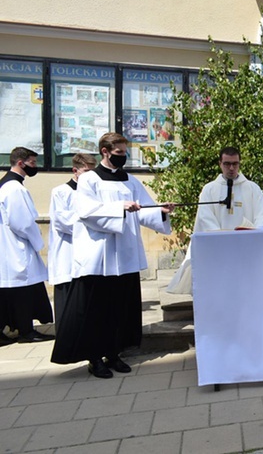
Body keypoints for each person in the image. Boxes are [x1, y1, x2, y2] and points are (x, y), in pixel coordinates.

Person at [51, 133, 175, 378]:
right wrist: (120, 207)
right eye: (118, 153)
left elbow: (144, 209)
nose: (123, 157)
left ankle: (114, 353)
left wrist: (160, 211)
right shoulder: (89, 179)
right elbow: (86, 212)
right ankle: (94, 358)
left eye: (124, 153)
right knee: (96, 310)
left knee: (120, 308)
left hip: (125, 255)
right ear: (105, 152)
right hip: (99, 256)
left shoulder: (130, 180)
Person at [166, 146, 263, 294]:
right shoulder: (209, 189)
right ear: (220, 164)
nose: (231, 168)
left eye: (235, 164)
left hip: (246, 249)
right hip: (218, 250)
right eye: (227, 164)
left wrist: (257, 231)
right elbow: (205, 218)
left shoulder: (252, 188)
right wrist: (223, 238)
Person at [0, 147, 54, 345]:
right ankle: (26, 331)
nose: (35, 167)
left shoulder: (4, 185)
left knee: (9, 292)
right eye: (33, 163)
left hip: (7, 248)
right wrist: (38, 240)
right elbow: (22, 222)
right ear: (21, 163)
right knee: (23, 292)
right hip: (17, 248)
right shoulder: (15, 189)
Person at [48, 153, 97, 330]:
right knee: (67, 300)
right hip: (68, 251)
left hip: (89, 252)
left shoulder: (95, 192)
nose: (91, 176)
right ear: (75, 171)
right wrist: (91, 221)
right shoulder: (61, 192)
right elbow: (63, 221)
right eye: (86, 171)